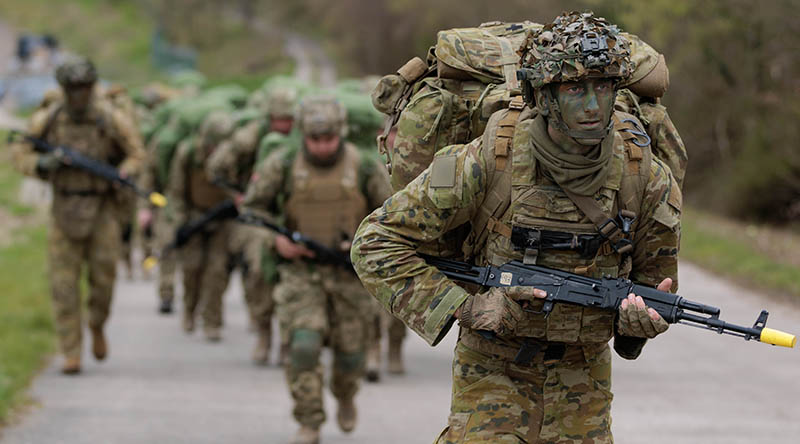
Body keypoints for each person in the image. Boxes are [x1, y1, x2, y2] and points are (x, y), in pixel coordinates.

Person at [351, 12, 681, 443]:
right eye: (574, 88)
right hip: (491, 367)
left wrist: (638, 328)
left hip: (584, 374)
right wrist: (468, 307)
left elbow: (651, 289)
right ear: (543, 96)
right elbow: (375, 243)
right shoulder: (489, 158)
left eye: (603, 87)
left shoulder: (646, 177)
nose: (592, 105)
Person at [243, 95, 392, 444]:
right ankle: (309, 421)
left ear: (341, 133)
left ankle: (345, 394)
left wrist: (362, 243)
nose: (322, 147)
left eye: (329, 139)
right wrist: (274, 242)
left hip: (349, 275)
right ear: (303, 135)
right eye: (314, 139)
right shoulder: (282, 164)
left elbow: (391, 215)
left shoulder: (364, 166)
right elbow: (252, 212)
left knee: (352, 354)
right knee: (303, 345)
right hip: (301, 273)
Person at [10, 57, 146, 374]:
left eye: (84, 88)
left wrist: (122, 172)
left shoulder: (109, 117)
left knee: (103, 282)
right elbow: (21, 152)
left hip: (101, 208)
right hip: (63, 208)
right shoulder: (50, 117)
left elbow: (137, 153)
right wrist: (43, 165)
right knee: (63, 285)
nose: (79, 95)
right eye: (72, 89)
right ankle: (71, 350)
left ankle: (97, 324)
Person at [207, 86, 298, 365]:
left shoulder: (304, 139)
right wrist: (237, 195)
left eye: (289, 120)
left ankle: (288, 339)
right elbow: (216, 168)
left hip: (293, 212)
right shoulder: (247, 139)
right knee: (260, 267)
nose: (284, 126)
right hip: (257, 213)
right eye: (279, 120)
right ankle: (263, 332)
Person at [165, 111, 237, 340]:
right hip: (194, 216)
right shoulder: (188, 153)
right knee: (191, 268)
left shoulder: (233, 157)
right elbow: (176, 191)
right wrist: (179, 223)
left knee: (216, 272)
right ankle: (189, 310)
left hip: (223, 221)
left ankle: (212, 321)